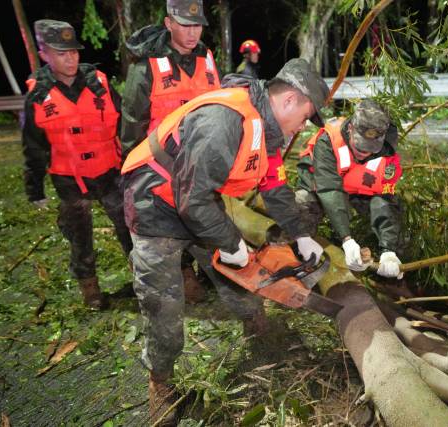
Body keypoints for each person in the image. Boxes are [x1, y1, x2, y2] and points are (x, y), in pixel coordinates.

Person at [121, 58, 328, 426]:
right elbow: (192, 200)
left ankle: (258, 329)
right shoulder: (225, 120)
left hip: (195, 197)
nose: (303, 127)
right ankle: (161, 382)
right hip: (154, 203)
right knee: (164, 305)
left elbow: (274, 186)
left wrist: (301, 234)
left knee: (240, 269)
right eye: (305, 117)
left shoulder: (267, 129)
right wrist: (231, 242)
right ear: (289, 100)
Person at [21, 20, 133, 309]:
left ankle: (143, 278)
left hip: (110, 172)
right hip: (69, 179)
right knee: (80, 237)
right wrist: (35, 190)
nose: (70, 59)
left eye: (73, 51)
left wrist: (133, 162)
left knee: (130, 226)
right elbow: (33, 147)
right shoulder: (38, 96)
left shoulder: (99, 83)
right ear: (44, 54)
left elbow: (125, 124)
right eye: (61, 53)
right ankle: (91, 291)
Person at [120, 0, 221, 303]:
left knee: (208, 218)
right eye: (185, 25)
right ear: (168, 23)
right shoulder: (146, 66)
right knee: (171, 223)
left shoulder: (207, 59)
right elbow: (132, 124)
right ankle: (184, 272)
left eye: (197, 25)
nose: (192, 33)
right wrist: (136, 174)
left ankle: (212, 271)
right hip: (162, 167)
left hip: (203, 164)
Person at [296, 99, 404, 279]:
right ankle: (298, 253)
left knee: (395, 209)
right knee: (301, 204)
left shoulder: (387, 154)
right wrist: (347, 239)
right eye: (360, 144)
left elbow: (386, 198)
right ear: (351, 129)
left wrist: (389, 249)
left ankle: (390, 260)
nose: (364, 152)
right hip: (322, 188)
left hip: (359, 192)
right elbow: (330, 189)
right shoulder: (328, 141)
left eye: (371, 148)